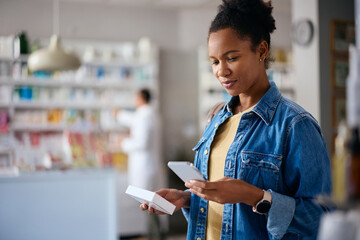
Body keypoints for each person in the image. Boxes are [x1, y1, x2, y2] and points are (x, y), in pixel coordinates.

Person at [140, 0, 332, 239]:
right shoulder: (217, 120)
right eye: (214, 61)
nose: (221, 71)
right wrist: (188, 199)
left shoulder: (295, 125)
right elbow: (225, 204)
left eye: (231, 58)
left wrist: (254, 196)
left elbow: (322, 218)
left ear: (261, 50)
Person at [118, 88, 164, 240]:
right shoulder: (149, 114)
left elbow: (141, 143)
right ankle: (156, 234)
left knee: (148, 206)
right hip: (149, 166)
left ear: (140, 98)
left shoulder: (144, 116)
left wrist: (123, 143)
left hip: (145, 168)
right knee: (151, 204)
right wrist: (118, 114)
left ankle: (154, 236)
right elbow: (132, 120)